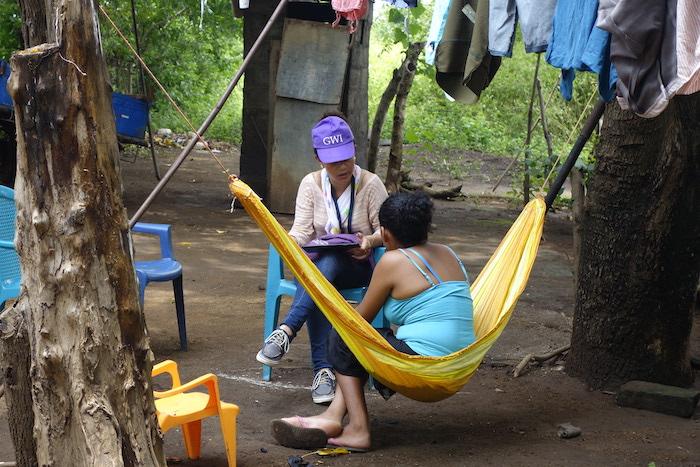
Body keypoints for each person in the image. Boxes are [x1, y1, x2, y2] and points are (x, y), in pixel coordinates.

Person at [270, 191, 476, 451]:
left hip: (425, 362)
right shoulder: (448, 252)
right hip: (460, 362)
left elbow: (358, 321)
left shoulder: (393, 261)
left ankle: (358, 429)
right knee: (368, 340)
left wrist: (328, 306)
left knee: (343, 336)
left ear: (386, 233)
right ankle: (332, 417)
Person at [256, 113, 389, 404]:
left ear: (354, 151)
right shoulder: (310, 184)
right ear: (318, 158)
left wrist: (370, 240)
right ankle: (323, 371)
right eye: (333, 161)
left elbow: (386, 229)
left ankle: (289, 332)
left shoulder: (371, 184)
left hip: (357, 263)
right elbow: (301, 231)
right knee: (321, 270)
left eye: (346, 158)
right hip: (317, 264)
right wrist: (287, 244)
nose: (342, 166)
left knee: (320, 272)